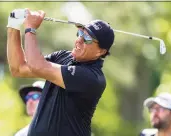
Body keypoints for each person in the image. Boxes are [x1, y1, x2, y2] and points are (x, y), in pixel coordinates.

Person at [7, 8, 114, 136]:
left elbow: (37, 66)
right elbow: (18, 68)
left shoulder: (92, 77)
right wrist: (13, 25)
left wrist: (30, 29)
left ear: (101, 51)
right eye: (80, 33)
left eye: (87, 38)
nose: (79, 40)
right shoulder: (63, 57)